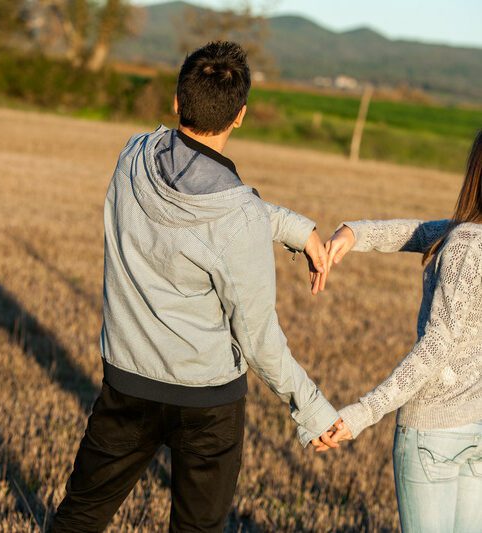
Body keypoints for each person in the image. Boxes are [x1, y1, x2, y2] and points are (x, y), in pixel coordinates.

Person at [51, 41, 342, 532]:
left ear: (176, 101)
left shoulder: (132, 157)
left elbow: (214, 220)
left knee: (80, 517)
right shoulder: (239, 214)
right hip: (208, 405)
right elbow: (258, 337)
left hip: (126, 383)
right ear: (241, 116)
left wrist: (296, 229)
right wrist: (310, 408)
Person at [319, 131, 482, 532]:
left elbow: (435, 348)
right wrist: (356, 233)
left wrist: (362, 413)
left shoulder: (466, 244)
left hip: (433, 435)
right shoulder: (464, 237)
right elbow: (426, 232)